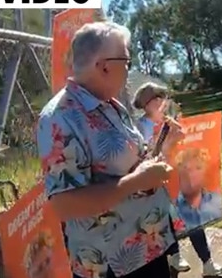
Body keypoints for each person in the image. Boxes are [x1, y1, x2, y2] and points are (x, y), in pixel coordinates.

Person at [36, 22, 181, 278]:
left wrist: (165, 146)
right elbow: (65, 204)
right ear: (104, 66)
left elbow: (131, 167)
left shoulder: (111, 105)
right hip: (112, 265)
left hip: (146, 246)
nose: (128, 68)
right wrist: (136, 182)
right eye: (125, 60)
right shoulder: (59, 119)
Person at [133, 82, 222, 277]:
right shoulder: (140, 128)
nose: (164, 102)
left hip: (181, 178)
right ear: (149, 103)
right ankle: (175, 256)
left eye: (164, 98)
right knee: (166, 221)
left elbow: (192, 145)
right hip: (159, 184)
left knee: (192, 217)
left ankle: (207, 263)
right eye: (160, 98)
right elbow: (145, 156)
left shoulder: (174, 120)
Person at [173, 147, 222, 229]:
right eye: (187, 169)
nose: (193, 174)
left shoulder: (216, 201)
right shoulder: (173, 209)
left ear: (205, 170)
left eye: (198, 168)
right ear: (179, 172)